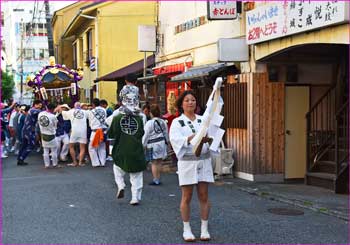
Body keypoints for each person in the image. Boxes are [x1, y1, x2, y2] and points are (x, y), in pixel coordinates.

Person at [169, 90, 214, 242]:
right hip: (187, 162)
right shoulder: (177, 122)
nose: (190, 102)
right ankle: (186, 229)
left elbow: (213, 137)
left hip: (203, 160)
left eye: (193, 100)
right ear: (181, 104)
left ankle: (204, 228)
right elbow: (175, 139)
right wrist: (190, 138)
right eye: (187, 100)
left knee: (203, 195)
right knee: (187, 196)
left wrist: (209, 139)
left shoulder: (203, 120)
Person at [108, 84, 147, 205]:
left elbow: (111, 132)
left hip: (121, 148)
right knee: (136, 175)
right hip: (136, 148)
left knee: (117, 168)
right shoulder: (141, 116)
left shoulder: (116, 115)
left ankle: (120, 185)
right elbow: (142, 133)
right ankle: (135, 197)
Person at [142, 104, 169, 185]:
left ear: (151, 113)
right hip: (162, 143)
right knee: (159, 162)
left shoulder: (149, 123)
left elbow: (146, 135)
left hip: (153, 144)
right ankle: (158, 178)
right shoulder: (163, 122)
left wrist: (143, 144)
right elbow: (166, 133)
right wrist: (167, 143)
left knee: (154, 162)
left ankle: (155, 179)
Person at [61, 102, 88, 167]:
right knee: (82, 147)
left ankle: (74, 162)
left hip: (74, 131)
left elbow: (62, 112)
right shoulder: (85, 112)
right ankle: (80, 162)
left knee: (71, 146)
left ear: (74, 106)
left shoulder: (71, 111)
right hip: (83, 131)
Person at [17, 100, 43, 166]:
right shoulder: (33, 110)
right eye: (39, 105)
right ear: (35, 105)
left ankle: (20, 159)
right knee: (31, 145)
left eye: (41, 105)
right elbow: (41, 112)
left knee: (24, 145)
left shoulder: (31, 110)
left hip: (25, 130)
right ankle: (21, 158)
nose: (40, 107)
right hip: (29, 130)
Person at [38, 103, 60, 168]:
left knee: (45, 150)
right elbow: (55, 125)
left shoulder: (40, 114)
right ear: (53, 109)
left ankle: (46, 165)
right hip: (51, 134)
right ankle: (55, 164)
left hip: (43, 133)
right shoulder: (52, 116)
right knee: (54, 150)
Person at [87, 98, 107, 167]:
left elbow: (90, 123)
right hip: (103, 131)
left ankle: (96, 163)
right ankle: (102, 162)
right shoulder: (104, 110)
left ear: (93, 104)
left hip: (95, 132)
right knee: (102, 147)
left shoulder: (91, 111)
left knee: (92, 148)